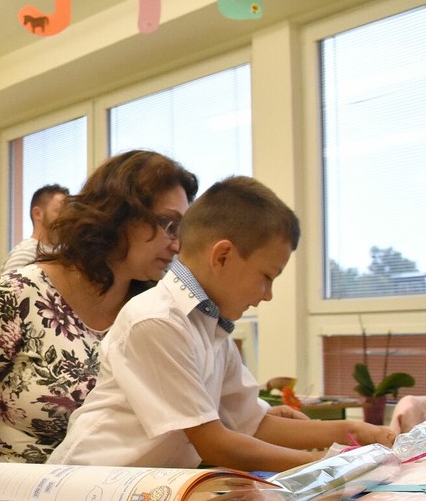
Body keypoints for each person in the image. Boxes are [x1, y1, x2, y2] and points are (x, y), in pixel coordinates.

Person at [48, 176, 396, 472]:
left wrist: (356, 431)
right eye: (266, 277)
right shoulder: (156, 320)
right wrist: (329, 463)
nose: (267, 295)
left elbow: (255, 425)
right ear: (223, 256)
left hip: (141, 484)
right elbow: (216, 445)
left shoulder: (211, 328)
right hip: (84, 483)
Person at [0, 151, 199, 487]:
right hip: (21, 494)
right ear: (120, 215)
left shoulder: (151, 313)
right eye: (168, 224)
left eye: (182, 230)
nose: (177, 244)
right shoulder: (20, 294)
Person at [2, 184, 69, 272]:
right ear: (37, 214)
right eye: (60, 212)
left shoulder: (63, 255)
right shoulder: (23, 256)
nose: (66, 218)